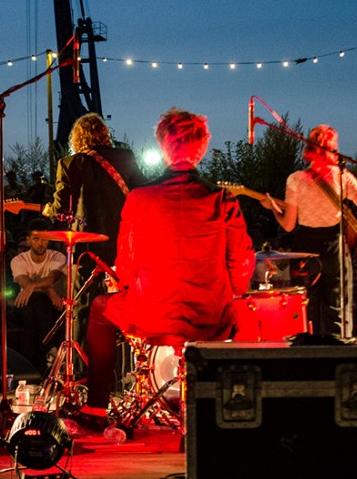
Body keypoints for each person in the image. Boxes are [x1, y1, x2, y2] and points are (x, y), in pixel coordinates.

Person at [72, 108, 254, 430]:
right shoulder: (222, 199)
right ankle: (235, 407)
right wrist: (231, 295)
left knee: (101, 309)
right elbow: (241, 264)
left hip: (153, 314)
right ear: (202, 147)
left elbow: (125, 268)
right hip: (210, 316)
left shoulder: (140, 198)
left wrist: (130, 285)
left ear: (162, 146)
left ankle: (96, 411)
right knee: (246, 316)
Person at [3, 113, 145, 342]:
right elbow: (141, 194)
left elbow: (60, 212)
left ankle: (82, 368)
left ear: (77, 138)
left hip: (89, 249)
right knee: (129, 302)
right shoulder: (125, 157)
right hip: (125, 246)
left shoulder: (69, 164)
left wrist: (36, 207)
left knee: (84, 307)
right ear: (105, 134)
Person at [258, 124, 357, 337]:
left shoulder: (296, 179)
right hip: (335, 248)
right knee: (338, 310)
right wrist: (350, 217)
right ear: (333, 147)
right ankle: (340, 359)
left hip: (305, 250)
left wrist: (274, 209)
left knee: (308, 310)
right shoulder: (343, 177)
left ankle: (308, 360)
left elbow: (288, 225)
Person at [9, 218, 66, 372]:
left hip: (52, 307)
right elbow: (24, 283)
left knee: (36, 307)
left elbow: (52, 278)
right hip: (26, 304)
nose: (40, 243)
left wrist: (34, 286)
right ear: (28, 240)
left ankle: (31, 370)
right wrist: (49, 290)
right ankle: (50, 351)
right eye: (36, 239)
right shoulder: (18, 260)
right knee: (36, 300)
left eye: (44, 239)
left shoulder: (58, 257)